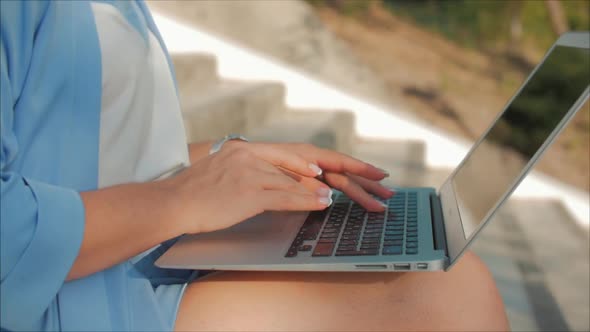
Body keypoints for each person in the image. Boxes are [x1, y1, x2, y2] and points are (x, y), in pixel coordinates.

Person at [0, 1, 509, 331]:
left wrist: (237, 163)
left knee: (448, 277)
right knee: (449, 295)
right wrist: (179, 201)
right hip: (69, 303)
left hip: (128, 264)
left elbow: (105, 155)